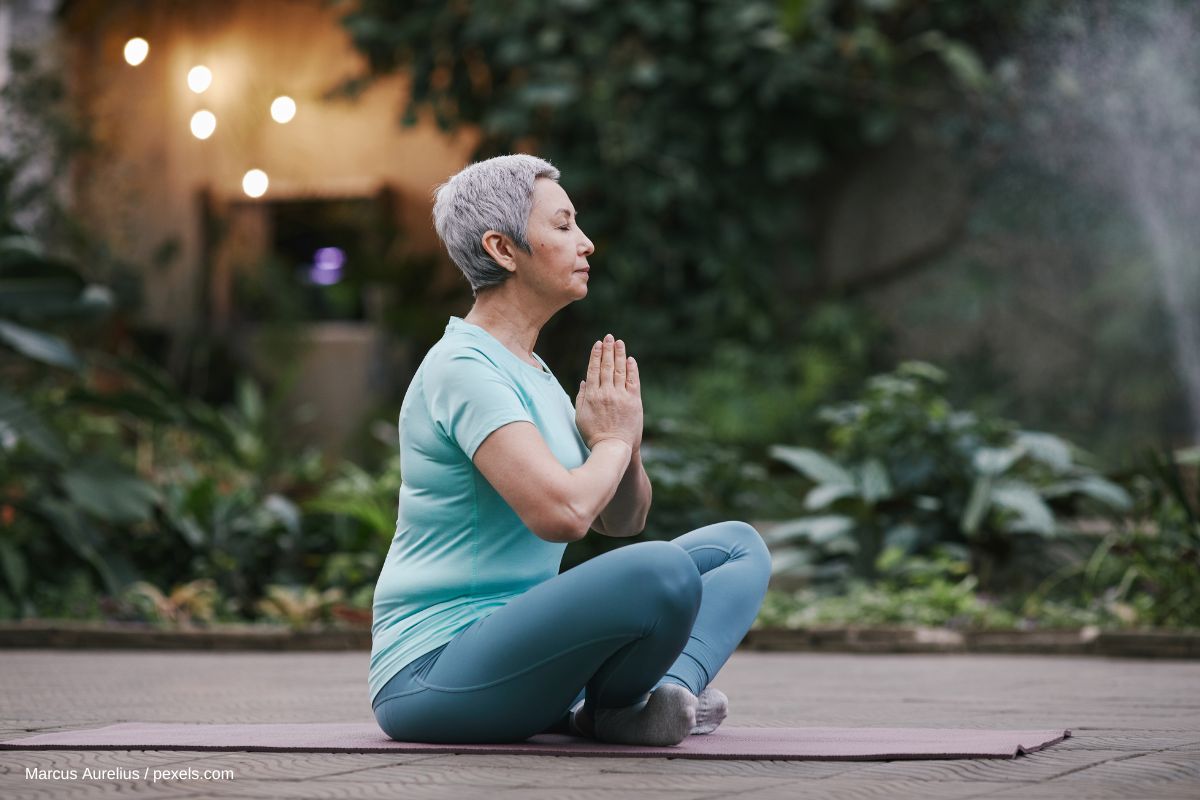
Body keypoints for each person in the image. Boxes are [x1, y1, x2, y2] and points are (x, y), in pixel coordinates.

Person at [368, 154, 772, 746]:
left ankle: (653, 700)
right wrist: (608, 440)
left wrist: (625, 441)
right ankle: (616, 707)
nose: (585, 243)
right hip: (434, 672)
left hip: (523, 661)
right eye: (563, 226)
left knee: (737, 547)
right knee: (661, 570)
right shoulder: (462, 367)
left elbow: (621, 518)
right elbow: (562, 516)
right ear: (503, 250)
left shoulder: (532, 370)